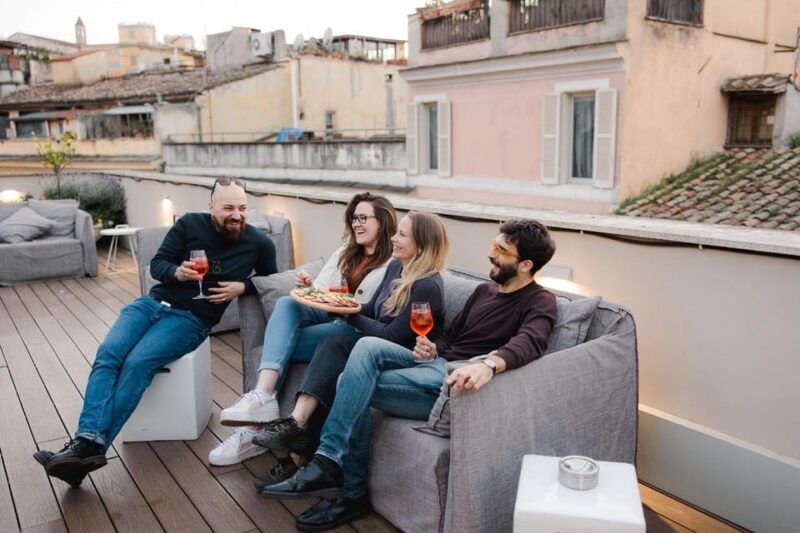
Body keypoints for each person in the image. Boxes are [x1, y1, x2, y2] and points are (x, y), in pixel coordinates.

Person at [259, 219, 559, 532]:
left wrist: (489, 365)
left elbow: (531, 341)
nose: (491, 254)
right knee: (364, 353)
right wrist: (432, 347)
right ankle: (334, 471)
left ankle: (339, 478)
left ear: (525, 264)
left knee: (350, 381)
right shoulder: (485, 291)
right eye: (493, 245)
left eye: (501, 250)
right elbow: (452, 336)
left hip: (454, 383)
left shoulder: (540, 300)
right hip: (434, 363)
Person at [33, 178, 278, 488]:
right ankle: (86, 444)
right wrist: (175, 271)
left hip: (192, 318)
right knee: (108, 354)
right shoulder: (190, 224)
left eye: (242, 208)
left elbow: (274, 282)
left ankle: (85, 450)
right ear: (211, 208)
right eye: (228, 207)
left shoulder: (258, 243)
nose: (236, 215)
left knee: (138, 362)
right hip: (151, 303)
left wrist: (245, 286)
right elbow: (157, 264)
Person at [250, 212, 450, 482]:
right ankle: (299, 438)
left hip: (405, 356)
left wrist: (348, 313)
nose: (394, 238)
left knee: (341, 350)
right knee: (333, 346)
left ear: (422, 245)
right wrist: (342, 305)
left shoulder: (427, 285)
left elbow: (392, 335)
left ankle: (300, 447)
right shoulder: (396, 267)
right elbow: (371, 310)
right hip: (375, 344)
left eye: (402, 235)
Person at [208, 193, 397, 466]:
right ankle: (262, 395)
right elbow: (320, 292)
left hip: (353, 330)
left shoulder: (392, 263)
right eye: (354, 217)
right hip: (330, 316)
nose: (357, 223)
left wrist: (342, 304)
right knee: (287, 304)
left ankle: (251, 433)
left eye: (364, 218)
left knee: (278, 345)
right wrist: (309, 285)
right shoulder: (347, 250)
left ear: (383, 222)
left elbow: (374, 310)